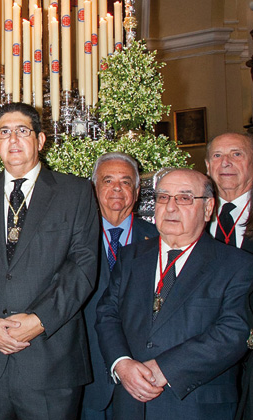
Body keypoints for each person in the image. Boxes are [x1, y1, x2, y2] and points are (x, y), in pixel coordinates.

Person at [0, 102, 99, 420]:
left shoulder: (76, 192)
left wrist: (39, 320)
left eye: (22, 131)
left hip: (50, 361)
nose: (13, 139)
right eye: (4, 132)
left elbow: (82, 267)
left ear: (40, 140)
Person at [96, 168, 253, 419]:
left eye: (184, 198)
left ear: (208, 208)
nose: (170, 207)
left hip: (195, 406)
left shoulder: (236, 265)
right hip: (131, 403)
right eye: (163, 197)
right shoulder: (130, 256)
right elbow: (107, 314)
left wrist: (166, 369)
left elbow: (233, 331)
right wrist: (121, 363)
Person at [81, 152, 158, 420]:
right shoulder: (73, 238)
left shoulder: (160, 239)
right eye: (107, 180)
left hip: (142, 377)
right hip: (86, 378)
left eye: (126, 182)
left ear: (136, 192)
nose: (117, 188)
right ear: (94, 188)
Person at [205, 132, 253, 252]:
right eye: (217, 155)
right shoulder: (195, 211)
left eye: (236, 154)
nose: (225, 162)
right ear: (208, 166)